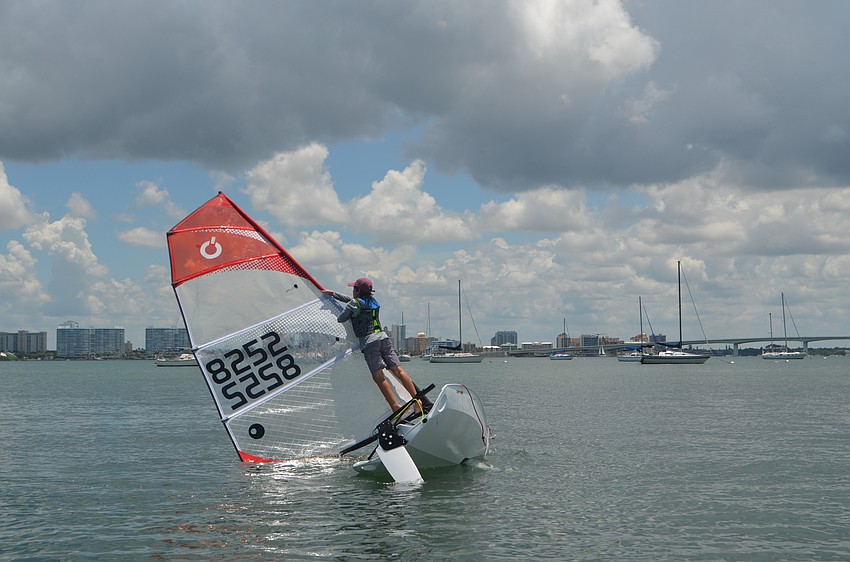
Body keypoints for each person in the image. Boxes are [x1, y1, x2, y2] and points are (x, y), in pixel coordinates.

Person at [324, 278, 426, 414]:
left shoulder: (354, 304)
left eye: (354, 288)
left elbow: (341, 318)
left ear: (358, 290)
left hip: (370, 342)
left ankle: (395, 406)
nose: (352, 291)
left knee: (378, 377)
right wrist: (334, 294)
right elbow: (352, 300)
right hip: (384, 339)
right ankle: (417, 400)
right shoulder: (373, 302)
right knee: (399, 371)